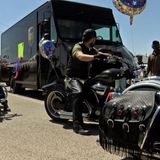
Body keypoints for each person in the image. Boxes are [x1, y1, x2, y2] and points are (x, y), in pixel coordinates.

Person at [65, 28, 112, 135]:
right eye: (94, 39)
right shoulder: (78, 46)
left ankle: (97, 115)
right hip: (73, 78)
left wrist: (112, 57)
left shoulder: (91, 48)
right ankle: (77, 126)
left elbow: (99, 53)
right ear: (91, 39)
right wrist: (94, 57)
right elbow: (80, 56)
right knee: (79, 94)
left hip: (84, 78)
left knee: (97, 91)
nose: (95, 41)